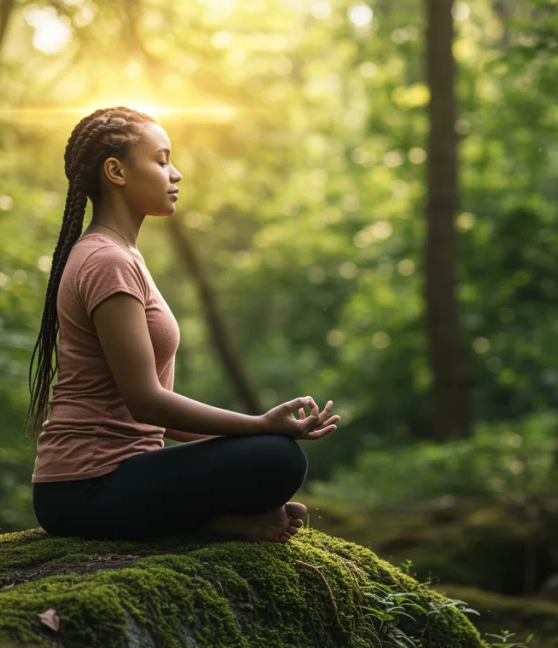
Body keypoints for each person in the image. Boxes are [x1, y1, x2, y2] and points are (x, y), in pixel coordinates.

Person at [25, 106, 339, 543]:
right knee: (278, 459)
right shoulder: (106, 261)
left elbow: (155, 418)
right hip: (84, 487)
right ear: (116, 171)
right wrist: (261, 427)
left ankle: (221, 522)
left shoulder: (121, 256)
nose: (177, 174)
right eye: (161, 159)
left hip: (111, 480)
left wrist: (256, 431)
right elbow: (146, 402)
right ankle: (217, 523)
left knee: (273, 453)